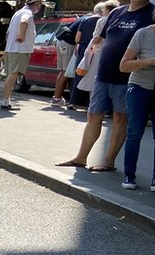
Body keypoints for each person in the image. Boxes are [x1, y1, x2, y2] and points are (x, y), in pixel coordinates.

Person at [58, 0, 154, 172]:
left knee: (120, 117)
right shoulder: (117, 12)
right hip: (103, 72)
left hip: (128, 76)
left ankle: (108, 161)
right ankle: (81, 158)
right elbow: (102, 39)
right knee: (93, 114)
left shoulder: (150, 13)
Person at [118, 20, 155, 190]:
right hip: (139, 86)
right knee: (134, 133)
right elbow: (124, 66)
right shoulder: (143, 33)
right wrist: (150, 61)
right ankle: (129, 175)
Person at [0, 0, 41, 111]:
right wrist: (21, 35)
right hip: (20, 49)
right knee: (13, 74)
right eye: (39, 5)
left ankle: (7, 100)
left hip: (12, 48)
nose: (39, 7)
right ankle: (5, 101)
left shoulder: (17, 13)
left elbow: (8, 33)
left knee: (11, 75)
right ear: (35, 4)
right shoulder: (27, 13)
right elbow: (24, 21)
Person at [68, 3, 105, 110]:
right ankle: (91, 103)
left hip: (84, 48)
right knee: (95, 76)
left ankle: (73, 102)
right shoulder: (105, 21)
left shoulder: (85, 20)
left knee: (80, 73)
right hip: (98, 49)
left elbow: (77, 38)